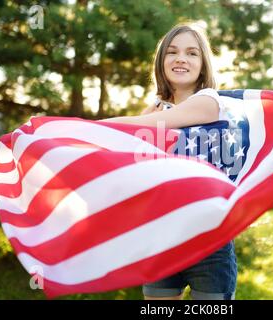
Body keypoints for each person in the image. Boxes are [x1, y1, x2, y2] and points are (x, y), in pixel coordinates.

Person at [103, 23, 237, 300]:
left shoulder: (210, 101)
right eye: (172, 52)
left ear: (203, 64)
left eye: (192, 53)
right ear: (161, 61)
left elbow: (153, 124)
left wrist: (90, 125)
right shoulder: (154, 110)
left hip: (209, 242)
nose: (181, 59)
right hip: (161, 240)